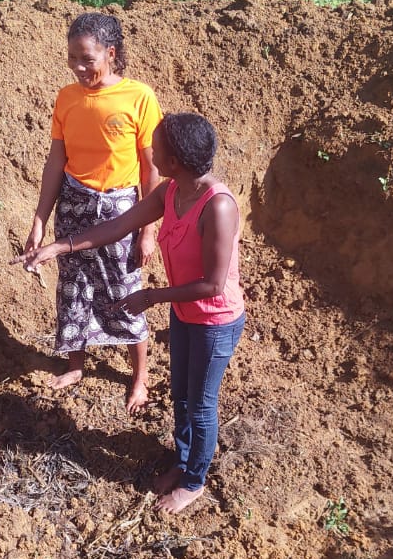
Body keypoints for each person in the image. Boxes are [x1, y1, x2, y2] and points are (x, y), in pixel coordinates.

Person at [20, 113, 245, 514]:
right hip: (185, 313)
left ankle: (194, 482)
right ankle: (183, 460)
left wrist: (153, 296)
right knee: (181, 396)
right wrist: (59, 246)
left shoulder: (218, 207)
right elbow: (119, 226)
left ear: (174, 161)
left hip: (215, 321)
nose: (150, 153)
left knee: (201, 405)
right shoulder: (171, 192)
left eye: (156, 148)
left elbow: (213, 285)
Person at [23, 12, 163, 413]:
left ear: (111, 54)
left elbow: (151, 168)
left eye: (87, 59)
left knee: (124, 288)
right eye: (72, 58)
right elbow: (56, 162)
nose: (79, 67)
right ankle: (76, 364)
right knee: (73, 285)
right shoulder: (67, 98)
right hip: (73, 202)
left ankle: (140, 375)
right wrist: (39, 220)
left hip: (120, 208)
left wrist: (147, 230)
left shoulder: (139, 97)